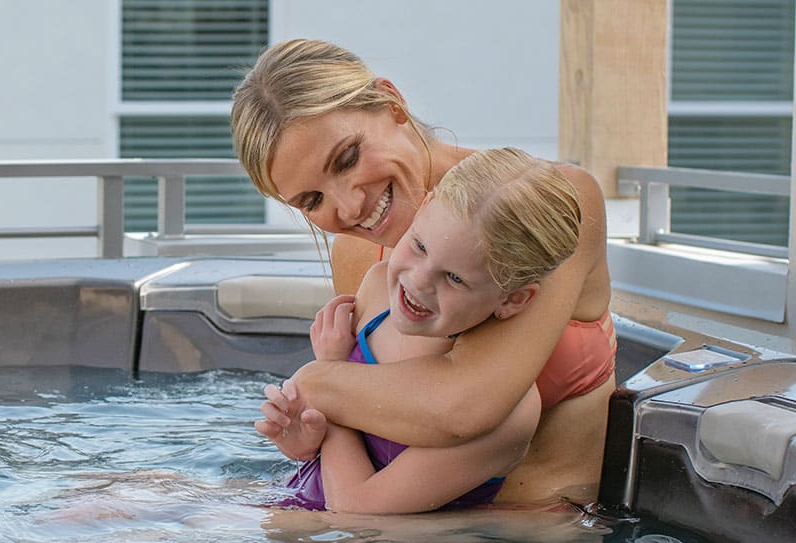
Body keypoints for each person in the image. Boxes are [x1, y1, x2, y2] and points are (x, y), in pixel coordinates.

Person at [231, 39, 616, 505]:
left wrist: (317, 382)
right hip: (396, 526)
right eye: (312, 201)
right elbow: (371, 429)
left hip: (533, 540)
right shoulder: (358, 255)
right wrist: (308, 431)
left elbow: (463, 407)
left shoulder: (551, 207)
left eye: (348, 157)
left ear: (392, 104)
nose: (350, 207)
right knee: (136, 502)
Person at [270, 148, 581, 514]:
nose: (417, 282)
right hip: (308, 512)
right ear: (423, 207)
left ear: (513, 300)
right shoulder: (375, 291)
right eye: (419, 245)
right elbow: (322, 453)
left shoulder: (507, 418)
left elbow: (353, 509)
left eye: (454, 278)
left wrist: (333, 374)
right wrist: (302, 436)